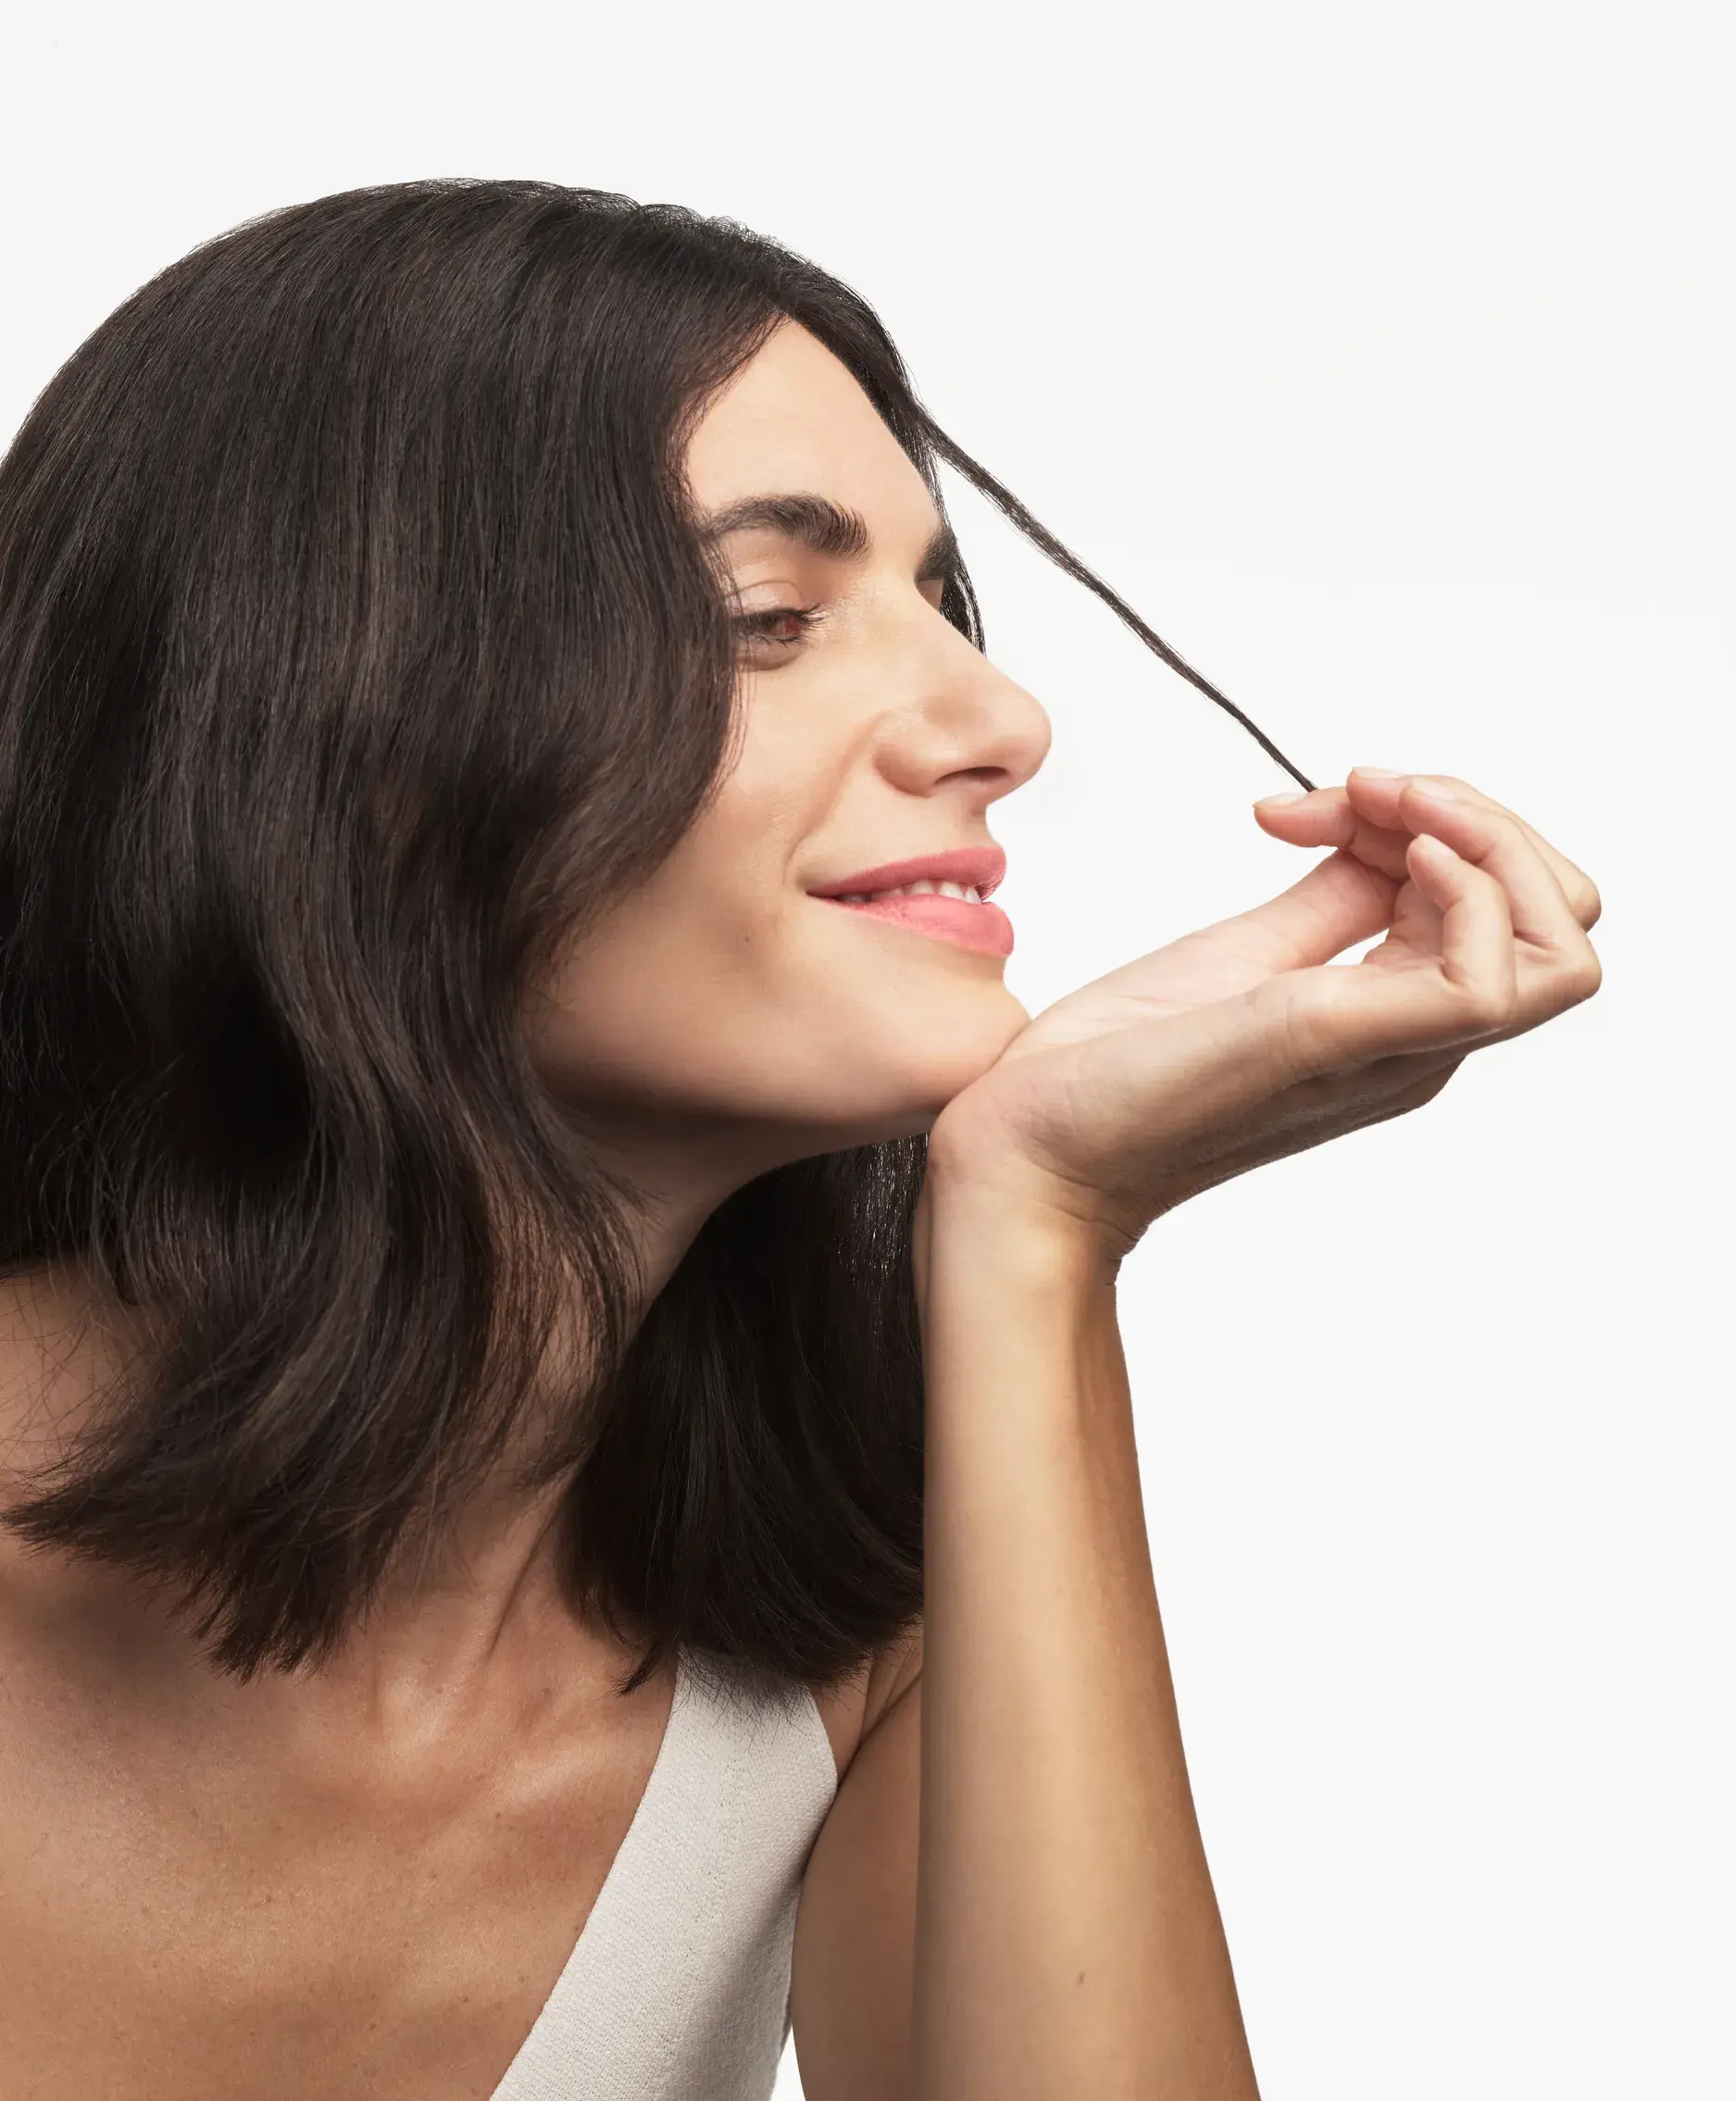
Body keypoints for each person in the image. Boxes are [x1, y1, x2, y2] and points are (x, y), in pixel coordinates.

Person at [0, 180, 1602, 2100]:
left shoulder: (841, 1643)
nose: (1001, 716)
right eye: (771, 613)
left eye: (939, 604)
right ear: (330, 731)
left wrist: (1036, 1228)